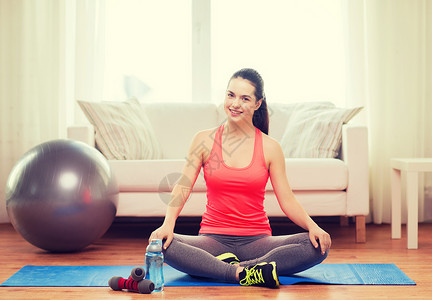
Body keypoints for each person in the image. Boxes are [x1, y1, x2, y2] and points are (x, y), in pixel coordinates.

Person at [149, 68, 331, 288]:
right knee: (161, 244)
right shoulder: (203, 140)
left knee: (315, 245)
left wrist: (314, 227)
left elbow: (287, 200)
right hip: (212, 239)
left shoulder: (270, 147)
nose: (235, 104)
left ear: (257, 104)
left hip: (258, 241)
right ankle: (245, 272)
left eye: (245, 98)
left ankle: (221, 269)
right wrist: (167, 224)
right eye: (230, 95)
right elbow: (183, 185)